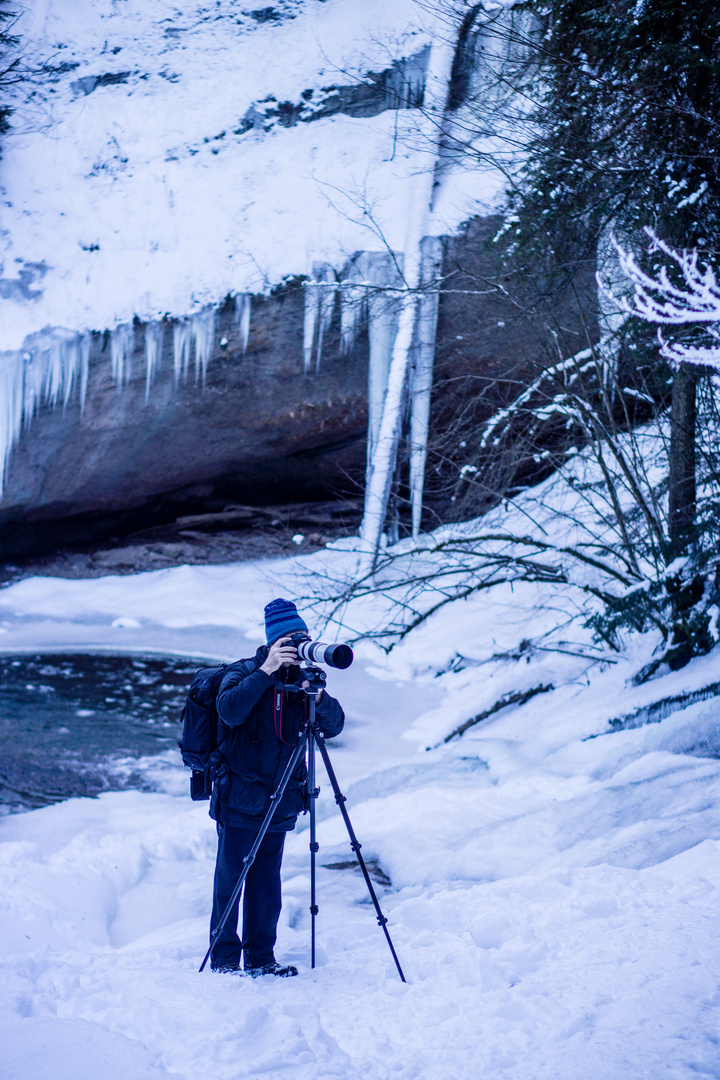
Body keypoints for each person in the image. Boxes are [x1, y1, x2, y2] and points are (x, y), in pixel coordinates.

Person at [208, 597, 345, 976]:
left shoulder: (302, 683)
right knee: (231, 881)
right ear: (272, 643)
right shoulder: (244, 673)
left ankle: (260, 958)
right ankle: (223, 961)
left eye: (301, 640)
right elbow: (230, 711)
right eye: (289, 641)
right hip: (239, 797)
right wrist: (267, 670)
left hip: (282, 799)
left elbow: (333, 727)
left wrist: (317, 695)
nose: (296, 648)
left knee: (267, 882)